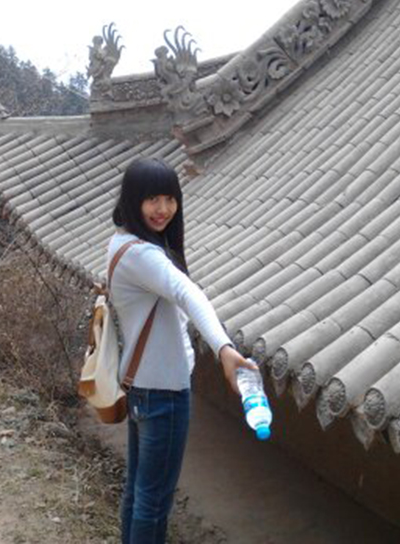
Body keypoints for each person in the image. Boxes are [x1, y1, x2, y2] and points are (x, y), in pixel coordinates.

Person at [109, 157, 255, 544]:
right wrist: (224, 348)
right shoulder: (144, 255)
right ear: (133, 200)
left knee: (139, 492)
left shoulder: (123, 243)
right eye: (152, 199)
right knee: (153, 501)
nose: (163, 209)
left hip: (140, 386)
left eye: (170, 199)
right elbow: (188, 293)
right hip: (164, 393)